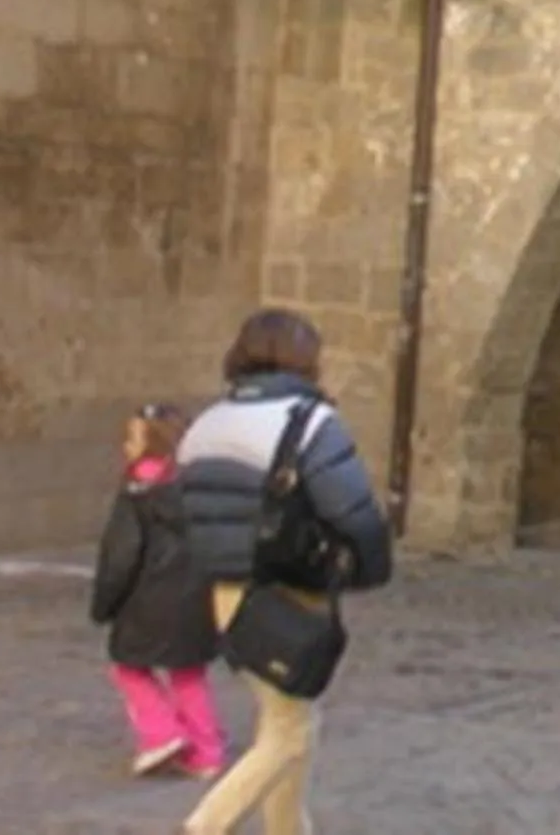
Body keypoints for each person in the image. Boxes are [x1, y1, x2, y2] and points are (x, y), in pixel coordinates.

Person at [176, 309, 394, 835]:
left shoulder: (205, 425)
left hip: (227, 591)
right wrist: (371, 567)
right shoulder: (310, 423)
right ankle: (205, 825)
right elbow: (352, 510)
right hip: (290, 590)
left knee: (286, 717)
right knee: (290, 732)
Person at [90, 402, 226, 781]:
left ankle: (162, 733)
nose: (125, 446)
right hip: (197, 598)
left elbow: (121, 555)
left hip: (147, 601)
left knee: (129, 668)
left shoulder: (137, 493)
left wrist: (104, 603)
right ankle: (207, 752)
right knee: (188, 674)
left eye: (132, 439)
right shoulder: (202, 490)